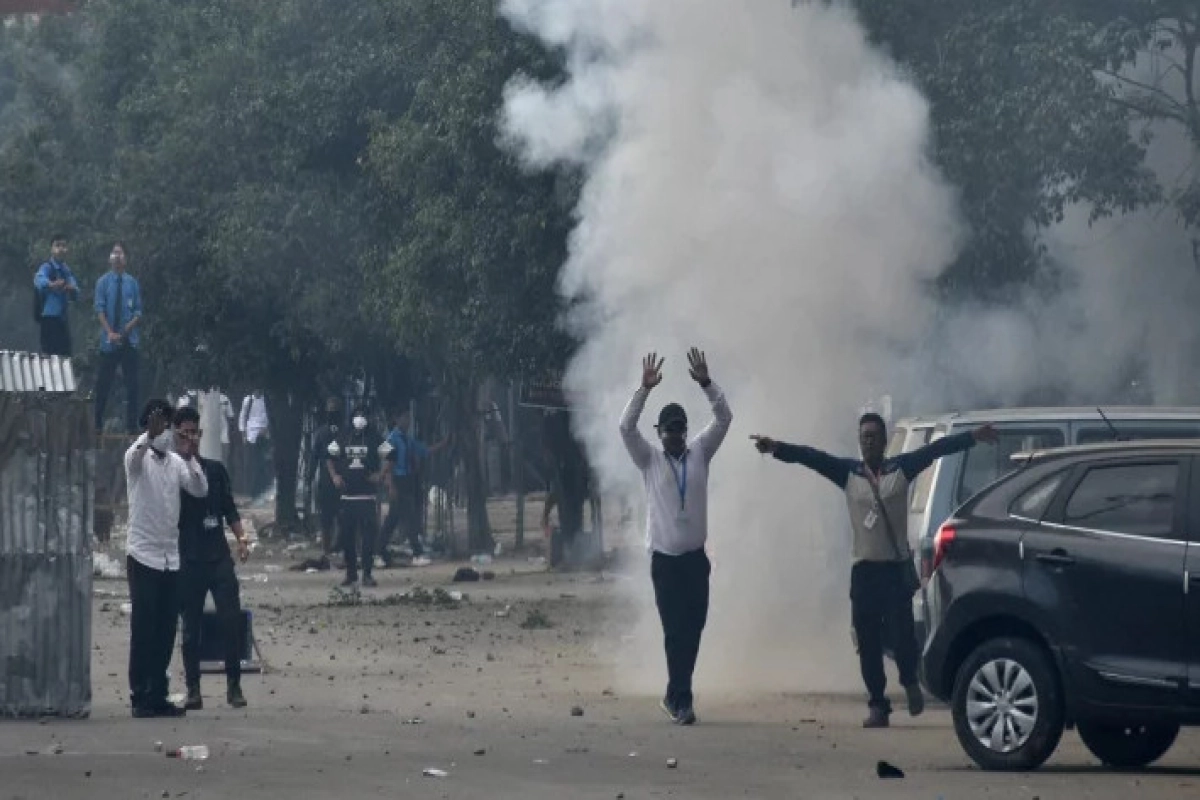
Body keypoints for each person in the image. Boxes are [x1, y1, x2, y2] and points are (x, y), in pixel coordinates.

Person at [751, 414, 997, 728]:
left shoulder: (902, 468)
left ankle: (909, 679)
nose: (868, 441)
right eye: (864, 436)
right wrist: (776, 448)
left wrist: (973, 437)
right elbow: (812, 458)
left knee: (903, 639)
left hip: (895, 573)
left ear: (883, 441)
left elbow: (937, 450)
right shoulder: (848, 473)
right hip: (864, 572)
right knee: (867, 644)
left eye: (873, 436)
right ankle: (878, 705)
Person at [619, 348, 732, 725]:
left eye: (679, 431)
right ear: (659, 434)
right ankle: (682, 701)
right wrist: (643, 390)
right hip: (665, 562)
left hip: (696, 560)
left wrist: (705, 383)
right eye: (667, 432)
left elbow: (724, 417)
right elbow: (625, 428)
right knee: (674, 631)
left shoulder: (700, 452)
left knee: (694, 627)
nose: (674, 438)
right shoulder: (648, 459)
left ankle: (674, 693)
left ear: (686, 431)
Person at [124, 398, 208, 718]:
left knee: (165, 628)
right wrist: (148, 436)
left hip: (170, 558)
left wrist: (193, 455)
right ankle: (140, 693)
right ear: (148, 424)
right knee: (143, 627)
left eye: (166, 425)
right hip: (143, 555)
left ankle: (157, 692)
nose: (164, 431)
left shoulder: (175, 463)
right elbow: (133, 459)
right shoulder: (137, 456)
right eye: (159, 424)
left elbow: (199, 489)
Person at [173, 405, 251, 711]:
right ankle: (193, 689)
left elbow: (229, 509)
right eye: (185, 433)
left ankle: (234, 686)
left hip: (218, 555)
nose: (191, 439)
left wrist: (241, 539)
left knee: (231, 619)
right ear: (176, 435)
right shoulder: (172, 474)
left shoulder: (215, 470)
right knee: (191, 626)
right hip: (189, 559)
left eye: (195, 433)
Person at [378, 406, 448, 567]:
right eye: (404, 418)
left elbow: (424, 451)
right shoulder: (390, 439)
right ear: (396, 419)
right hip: (398, 480)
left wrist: (443, 444)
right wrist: (390, 484)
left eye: (409, 418)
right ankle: (417, 552)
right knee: (408, 517)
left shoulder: (407, 439)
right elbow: (385, 463)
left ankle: (379, 550)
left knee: (393, 520)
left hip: (408, 480)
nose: (408, 421)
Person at [326, 406, 385, 587]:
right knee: (347, 538)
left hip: (367, 497)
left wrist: (381, 475)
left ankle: (367, 574)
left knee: (368, 539)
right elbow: (329, 455)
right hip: (347, 498)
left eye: (363, 416)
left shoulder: (375, 438)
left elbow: (391, 454)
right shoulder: (343, 437)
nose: (360, 419)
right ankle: (351, 573)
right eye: (357, 416)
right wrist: (334, 476)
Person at [94, 242, 143, 434]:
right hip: (109, 341)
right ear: (109, 258)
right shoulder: (103, 282)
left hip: (129, 339)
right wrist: (110, 333)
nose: (117, 256)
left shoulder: (132, 283)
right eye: (114, 253)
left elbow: (138, 312)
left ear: (126, 258)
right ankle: (97, 422)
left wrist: (125, 331)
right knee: (103, 382)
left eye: (120, 253)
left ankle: (132, 425)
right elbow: (99, 310)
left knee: (133, 384)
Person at [33, 234, 79, 357]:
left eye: (63, 246)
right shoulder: (47, 267)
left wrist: (71, 289)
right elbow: (38, 280)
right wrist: (52, 284)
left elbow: (75, 290)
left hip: (62, 319)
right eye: (57, 245)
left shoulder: (66, 270)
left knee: (66, 355)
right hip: (49, 319)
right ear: (51, 249)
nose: (60, 249)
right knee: (49, 355)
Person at [309, 397, 343, 556]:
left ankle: (337, 546)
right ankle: (327, 549)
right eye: (331, 410)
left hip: (340, 479)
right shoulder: (323, 433)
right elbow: (314, 457)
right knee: (327, 518)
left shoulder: (343, 432)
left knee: (340, 516)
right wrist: (310, 477)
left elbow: (313, 457)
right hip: (327, 480)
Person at [239, 390, 271, 497]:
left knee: (263, 464)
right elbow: (242, 417)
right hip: (250, 435)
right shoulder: (248, 400)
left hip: (263, 435)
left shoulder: (266, 400)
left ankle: (262, 489)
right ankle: (251, 491)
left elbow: (269, 416)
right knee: (251, 464)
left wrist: (267, 429)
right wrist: (243, 434)